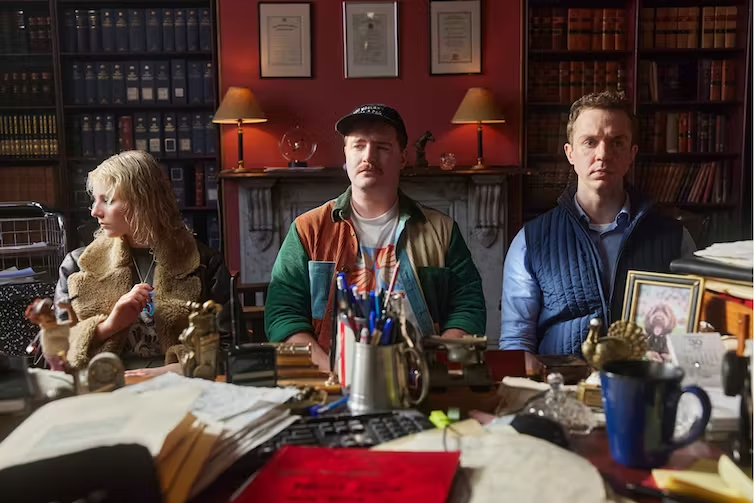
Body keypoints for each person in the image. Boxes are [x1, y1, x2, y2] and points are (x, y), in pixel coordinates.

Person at [265, 104, 486, 371]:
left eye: (382, 147)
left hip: (420, 378)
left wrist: (433, 364)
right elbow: (282, 314)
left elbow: (468, 306)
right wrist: (332, 372)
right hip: (328, 378)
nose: (368, 156)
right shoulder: (307, 229)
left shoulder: (442, 230)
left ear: (403, 158)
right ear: (345, 154)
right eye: (358, 145)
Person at [499, 90, 695, 370]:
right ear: (570, 153)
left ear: (631, 154)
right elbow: (516, 342)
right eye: (590, 142)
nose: (602, 155)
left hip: (644, 387)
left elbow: (691, 332)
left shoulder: (675, 239)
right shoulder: (531, 241)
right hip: (561, 387)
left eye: (617, 142)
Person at [54, 150, 234, 375]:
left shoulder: (205, 263)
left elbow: (230, 348)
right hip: (104, 389)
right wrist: (110, 325)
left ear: (143, 201)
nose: (94, 211)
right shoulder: (77, 266)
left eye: (107, 200)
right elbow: (55, 353)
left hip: (182, 388)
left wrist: (175, 370)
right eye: (94, 200)